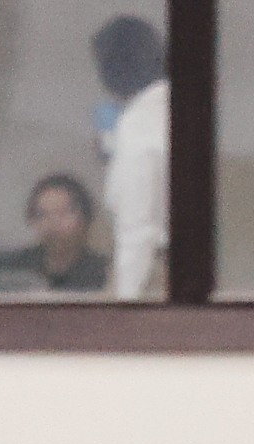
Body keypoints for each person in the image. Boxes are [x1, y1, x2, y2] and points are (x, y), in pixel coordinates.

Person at [91, 15, 165, 299]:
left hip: (148, 275)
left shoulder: (140, 121)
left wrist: (125, 304)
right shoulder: (172, 110)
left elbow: (138, 227)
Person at [0, 174, 108, 292]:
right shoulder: (15, 267)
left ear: (84, 219)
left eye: (63, 213)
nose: (53, 223)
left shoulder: (103, 272)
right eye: (43, 215)